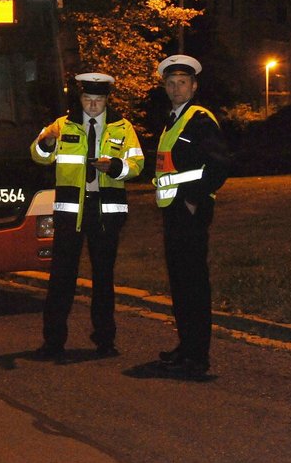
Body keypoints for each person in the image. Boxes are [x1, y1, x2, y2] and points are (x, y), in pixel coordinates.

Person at [30, 72, 144, 360]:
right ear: (80, 98)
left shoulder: (122, 127)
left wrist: (116, 166)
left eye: (98, 100)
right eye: (88, 99)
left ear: (107, 100)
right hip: (71, 212)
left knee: (103, 279)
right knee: (61, 278)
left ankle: (105, 339)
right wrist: (45, 142)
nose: (93, 106)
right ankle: (53, 341)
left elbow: (137, 164)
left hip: (106, 212)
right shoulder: (61, 124)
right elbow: (38, 155)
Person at [154, 55, 230, 377]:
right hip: (174, 212)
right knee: (180, 282)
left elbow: (219, 165)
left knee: (194, 285)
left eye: (182, 82)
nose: (176, 88)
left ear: (194, 85)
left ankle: (198, 355)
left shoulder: (199, 120)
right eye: (170, 83)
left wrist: (193, 201)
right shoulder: (172, 120)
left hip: (189, 211)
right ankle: (186, 346)